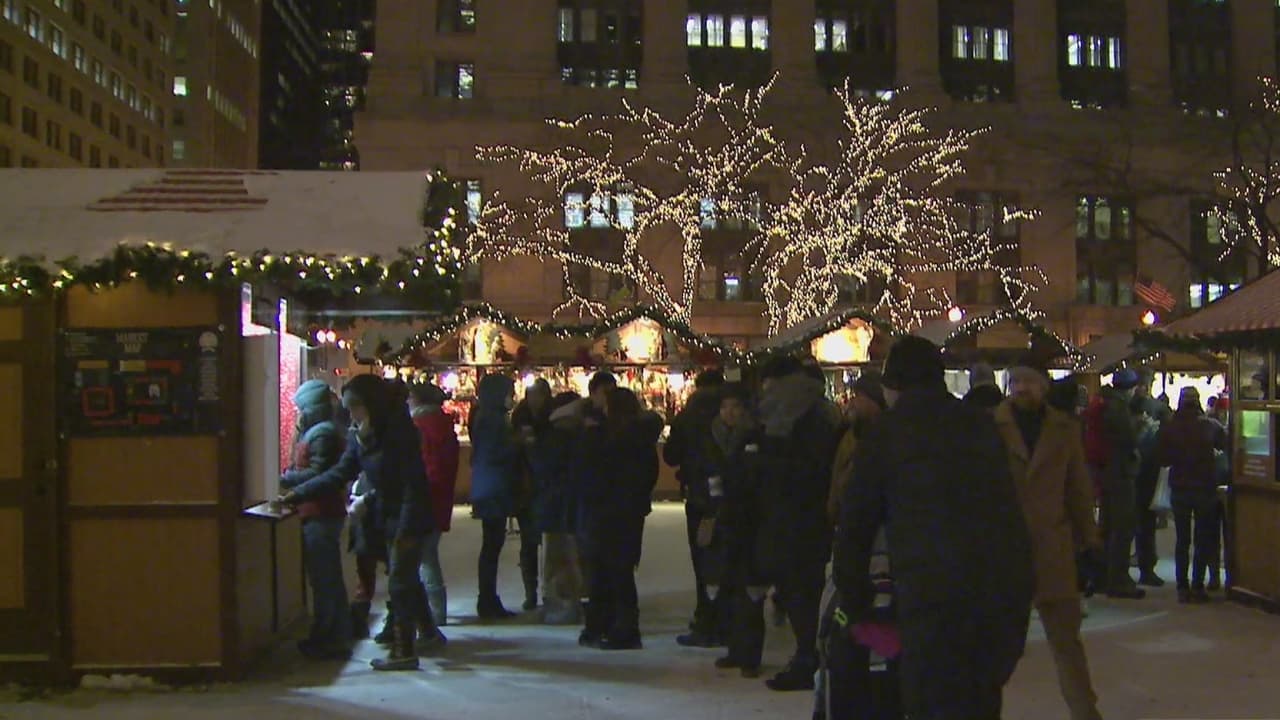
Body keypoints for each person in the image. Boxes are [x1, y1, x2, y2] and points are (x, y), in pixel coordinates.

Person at [835, 336, 1034, 720]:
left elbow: (855, 525)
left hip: (928, 600)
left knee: (932, 701)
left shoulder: (887, 434)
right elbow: (1010, 513)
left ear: (892, 387)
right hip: (993, 596)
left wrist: (854, 601)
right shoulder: (981, 427)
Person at [281, 375, 441, 671]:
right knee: (402, 579)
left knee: (400, 582)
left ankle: (404, 651)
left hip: (409, 515)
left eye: (356, 407)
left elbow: (411, 486)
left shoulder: (398, 434)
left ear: (371, 405)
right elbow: (340, 473)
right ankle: (426, 634)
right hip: (385, 513)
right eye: (349, 408)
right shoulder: (361, 434)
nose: (351, 415)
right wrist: (296, 493)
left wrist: (405, 530)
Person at [994, 360, 1104, 720]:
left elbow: (1078, 491)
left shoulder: (1063, 429)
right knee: (993, 646)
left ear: (1043, 385)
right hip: (1006, 550)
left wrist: (1090, 543)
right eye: (1016, 380)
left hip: (1052, 548)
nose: (1021, 387)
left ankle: (1085, 712)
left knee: (1066, 643)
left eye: (1028, 380)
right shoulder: (992, 426)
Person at [753, 355, 841, 692]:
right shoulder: (813, 410)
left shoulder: (799, 415)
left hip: (798, 519)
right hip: (800, 519)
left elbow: (805, 471)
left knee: (801, 592)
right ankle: (808, 655)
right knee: (799, 591)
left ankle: (809, 658)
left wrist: (763, 462)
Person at [817, 370, 897, 720]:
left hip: (877, 555)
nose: (852, 402)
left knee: (870, 632)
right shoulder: (851, 435)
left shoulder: (882, 443)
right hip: (853, 545)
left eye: (859, 397)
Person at [575, 387, 664, 650]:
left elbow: (586, 471)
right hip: (626, 512)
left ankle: (616, 627)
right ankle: (614, 624)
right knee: (616, 571)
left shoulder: (604, 437)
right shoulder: (638, 437)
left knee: (608, 571)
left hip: (608, 512)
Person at [279, 380, 350, 660]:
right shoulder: (324, 431)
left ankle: (329, 636)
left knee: (324, 579)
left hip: (320, 511)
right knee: (326, 577)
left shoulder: (322, 434)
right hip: (319, 510)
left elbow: (319, 473)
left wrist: (285, 479)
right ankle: (333, 634)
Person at [664, 369, 726, 647]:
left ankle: (708, 619)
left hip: (699, 495)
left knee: (703, 560)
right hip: (730, 496)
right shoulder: (733, 412)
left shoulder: (688, 415)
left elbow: (671, 455)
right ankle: (729, 618)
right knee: (727, 558)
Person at [1158, 387, 1228, 603]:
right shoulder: (1210, 426)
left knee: (1182, 539)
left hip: (1179, 487)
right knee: (1202, 538)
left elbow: (1163, 460)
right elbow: (1226, 446)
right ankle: (1197, 585)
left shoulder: (1169, 427)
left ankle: (1182, 586)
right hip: (1204, 488)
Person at [469, 373, 521, 620]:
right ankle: (487, 599)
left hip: (488, 485)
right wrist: (519, 443)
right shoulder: (492, 419)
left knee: (492, 545)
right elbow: (496, 453)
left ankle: (487, 598)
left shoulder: (487, 416)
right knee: (491, 545)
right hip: (493, 488)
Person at [1091, 369, 1146, 599]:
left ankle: (1102, 576)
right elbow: (1128, 439)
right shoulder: (1118, 408)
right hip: (1120, 473)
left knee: (1108, 524)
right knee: (1122, 527)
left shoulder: (1104, 403)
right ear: (1131, 388)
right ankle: (1118, 579)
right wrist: (1141, 426)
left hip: (1105, 472)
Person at [536, 392, 589, 625]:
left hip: (557, 504)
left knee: (559, 555)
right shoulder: (573, 436)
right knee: (566, 554)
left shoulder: (556, 436)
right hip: (566, 504)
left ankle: (561, 602)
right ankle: (565, 601)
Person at [410, 383, 460, 627]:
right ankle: (437, 609)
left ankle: (436, 612)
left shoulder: (420, 428)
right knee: (428, 554)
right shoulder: (442, 425)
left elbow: (426, 469)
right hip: (440, 498)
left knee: (425, 557)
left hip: (425, 499)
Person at [512, 378, 553, 611]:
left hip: (546, 486)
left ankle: (550, 588)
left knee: (551, 542)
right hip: (526, 488)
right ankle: (531, 591)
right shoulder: (520, 419)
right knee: (529, 542)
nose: (535, 400)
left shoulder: (552, 419)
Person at [1133, 396, 1165, 588]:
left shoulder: (1135, 428)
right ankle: (1146, 568)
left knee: (1140, 527)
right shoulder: (1148, 432)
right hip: (1145, 481)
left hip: (1137, 481)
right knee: (1144, 527)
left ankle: (1144, 566)